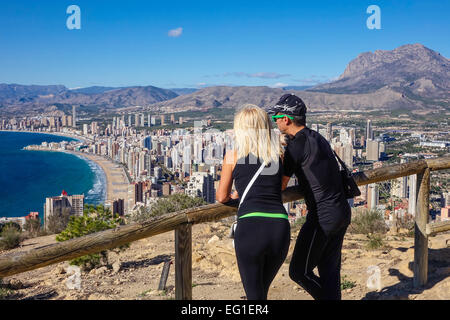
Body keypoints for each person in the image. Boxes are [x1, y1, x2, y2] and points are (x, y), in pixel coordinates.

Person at [269, 93, 351, 300]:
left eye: (275, 118)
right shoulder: (317, 137)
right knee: (329, 270)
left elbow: (280, 184)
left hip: (322, 218)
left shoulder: (295, 146)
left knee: (299, 271)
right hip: (341, 211)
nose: (275, 122)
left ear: (285, 119)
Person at [216, 104, 290, 300]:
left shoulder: (232, 156)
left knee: (254, 297)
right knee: (260, 293)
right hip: (279, 227)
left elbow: (222, 197)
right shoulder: (279, 155)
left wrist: (236, 196)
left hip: (250, 227)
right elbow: (280, 187)